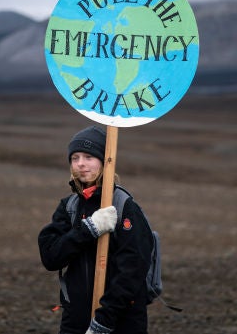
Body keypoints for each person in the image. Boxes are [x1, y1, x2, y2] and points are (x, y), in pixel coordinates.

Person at [39, 125, 154, 334]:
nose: (81, 164)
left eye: (88, 157)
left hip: (120, 323)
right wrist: (88, 229)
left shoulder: (123, 206)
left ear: (104, 161)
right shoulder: (69, 206)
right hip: (75, 322)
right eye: (75, 158)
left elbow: (133, 268)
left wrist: (103, 321)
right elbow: (51, 256)